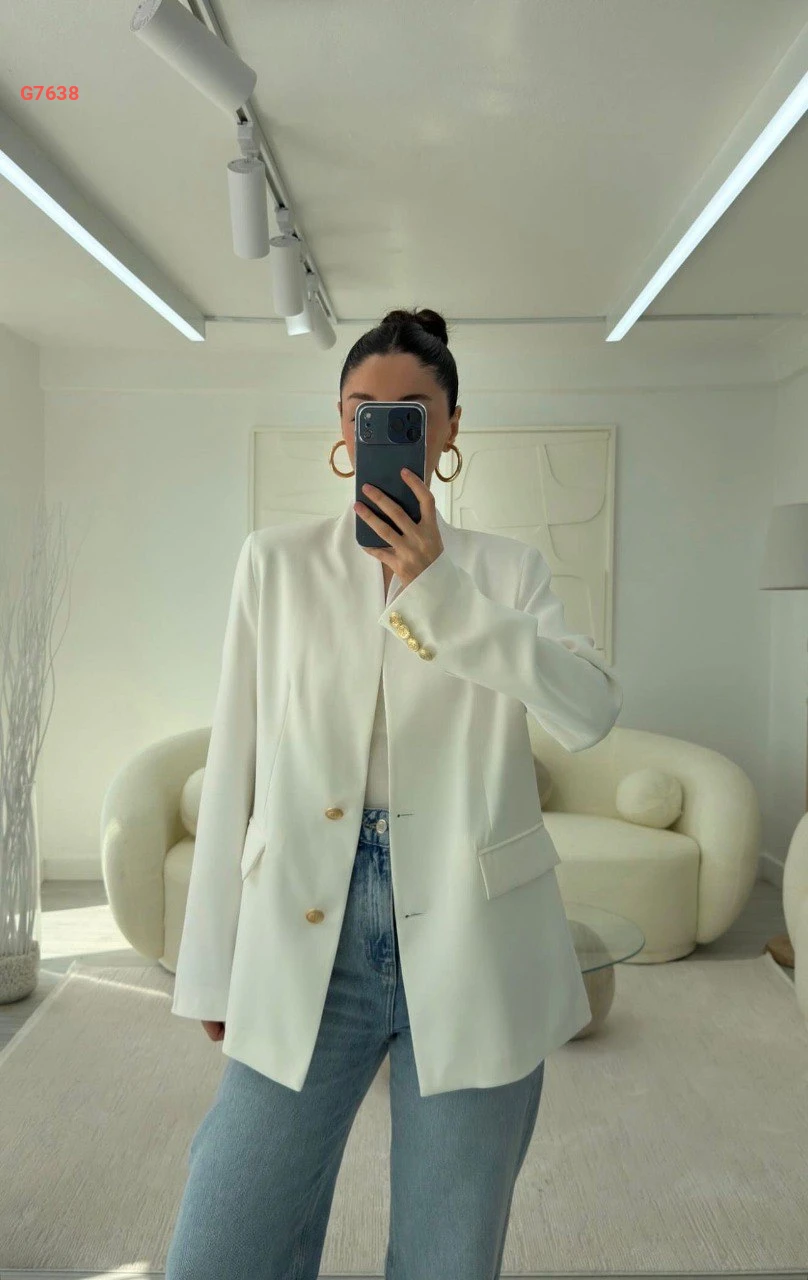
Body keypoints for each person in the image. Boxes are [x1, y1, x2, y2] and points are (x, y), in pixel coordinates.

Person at [165, 307, 623, 1280]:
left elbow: (588, 711)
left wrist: (438, 587)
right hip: (305, 925)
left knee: (447, 1256)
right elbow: (237, 759)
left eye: (409, 411)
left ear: (450, 428)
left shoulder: (507, 571)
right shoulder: (275, 563)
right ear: (341, 428)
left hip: (475, 935)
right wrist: (210, 964)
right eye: (362, 409)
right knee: (221, 1245)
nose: (382, 426)